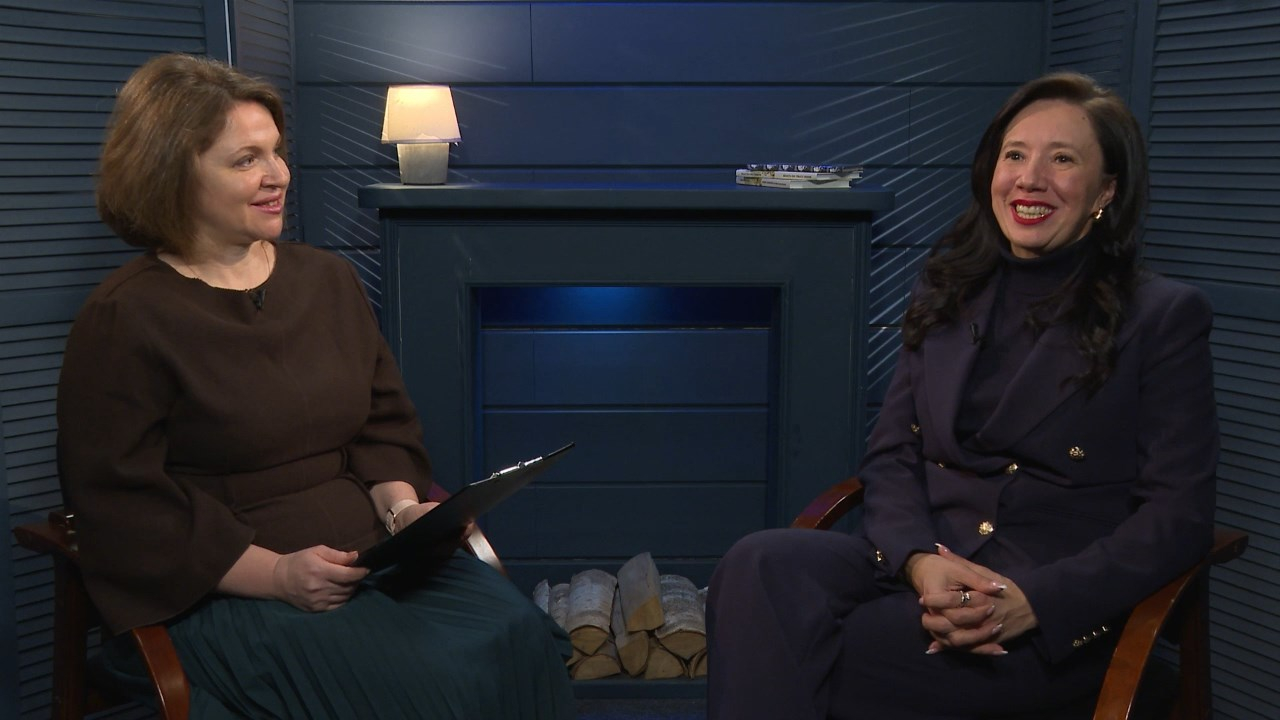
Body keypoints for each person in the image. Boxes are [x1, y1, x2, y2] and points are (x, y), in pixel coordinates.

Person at [57, 53, 575, 719]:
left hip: (376, 555)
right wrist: (275, 575)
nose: (277, 174)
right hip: (228, 587)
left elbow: (382, 425)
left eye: (276, 152)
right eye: (245, 160)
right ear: (173, 175)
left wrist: (404, 513)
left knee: (522, 638)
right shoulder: (125, 317)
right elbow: (123, 507)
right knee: (428, 686)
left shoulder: (325, 280)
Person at [706, 72, 1218, 719]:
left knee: (813, 648)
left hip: (1039, 598)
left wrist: (1038, 603)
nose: (1030, 179)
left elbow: (1178, 516)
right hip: (929, 559)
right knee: (756, 567)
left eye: (1062, 160)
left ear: (1105, 191)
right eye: (1015, 155)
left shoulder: (1162, 317)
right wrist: (918, 560)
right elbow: (892, 455)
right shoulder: (949, 286)